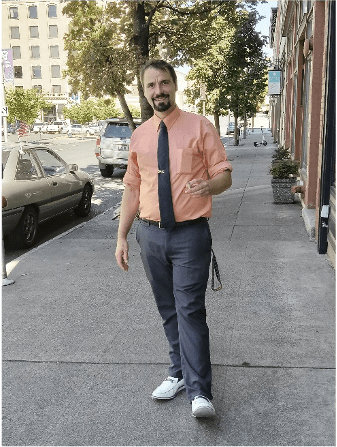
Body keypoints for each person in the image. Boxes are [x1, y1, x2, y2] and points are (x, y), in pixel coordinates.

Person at [115, 60, 233, 418]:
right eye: (151, 86)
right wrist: (121, 236)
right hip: (149, 235)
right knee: (168, 310)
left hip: (190, 236)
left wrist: (208, 185)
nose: (158, 91)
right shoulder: (139, 135)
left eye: (163, 83)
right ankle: (178, 372)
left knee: (190, 311)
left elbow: (224, 176)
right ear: (145, 90)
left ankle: (200, 393)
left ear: (174, 85)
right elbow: (132, 190)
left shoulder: (200, 127)